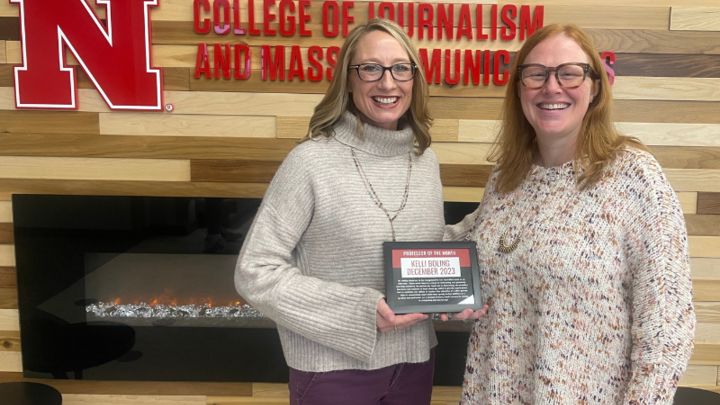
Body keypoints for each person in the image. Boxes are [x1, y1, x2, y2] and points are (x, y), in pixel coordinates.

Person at [235, 18, 484, 405]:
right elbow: (255, 272)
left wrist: (494, 219)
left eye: (401, 68)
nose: (388, 83)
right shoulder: (310, 161)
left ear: (414, 79)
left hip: (416, 362)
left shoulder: (424, 161)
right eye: (371, 68)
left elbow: (427, 248)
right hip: (332, 371)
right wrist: (361, 312)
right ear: (348, 80)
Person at [446, 24, 695, 404]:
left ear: (595, 87)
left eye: (569, 73)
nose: (551, 87)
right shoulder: (507, 177)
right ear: (519, 89)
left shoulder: (633, 176)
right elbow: (467, 245)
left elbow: (666, 329)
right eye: (536, 74)